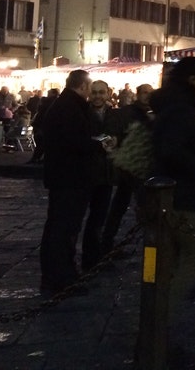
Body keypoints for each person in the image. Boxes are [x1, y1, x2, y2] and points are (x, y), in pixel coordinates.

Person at [150, 56, 195, 321]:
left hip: (169, 193)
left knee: (169, 261)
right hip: (179, 195)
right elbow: (172, 151)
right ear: (192, 80)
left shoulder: (173, 105)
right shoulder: (181, 110)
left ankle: (155, 328)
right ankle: (158, 321)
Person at [39, 69, 97, 294]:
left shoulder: (63, 105)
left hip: (63, 176)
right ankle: (61, 277)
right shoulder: (70, 108)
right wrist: (98, 144)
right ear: (83, 86)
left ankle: (56, 275)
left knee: (59, 227)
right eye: (90, 87)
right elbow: (75, 143)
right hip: (70, 178)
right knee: (64, 228)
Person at [101, 83, 154, 254]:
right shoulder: (128, 113)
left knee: (122, 206)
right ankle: (107, 243)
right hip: (129, 166)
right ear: (137, 94)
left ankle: (108, 243)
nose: (147, 95)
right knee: (125, 206)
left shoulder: (150, 114)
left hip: (139, 167)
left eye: (149, 93)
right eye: (144, 92)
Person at [82, 79, 116, 270]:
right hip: (88, 173)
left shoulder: (113, 114)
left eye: (101, 92)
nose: (97, 96)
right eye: (94, 92)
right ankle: (89, 258)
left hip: (107, 173)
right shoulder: (83, 113)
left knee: (99, 217)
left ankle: (96, 256)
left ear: (108, 93)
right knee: (85, 218)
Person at [27, 88, 59, 164]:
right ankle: (40, 158)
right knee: (42, 142)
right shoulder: (54, 101)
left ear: (53, 93)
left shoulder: (49, 102)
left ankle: (36, 158)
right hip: (43, 124)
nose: (47, 93)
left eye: (49, 92)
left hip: (41, 124)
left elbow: (42, 113)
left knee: (40, 141)